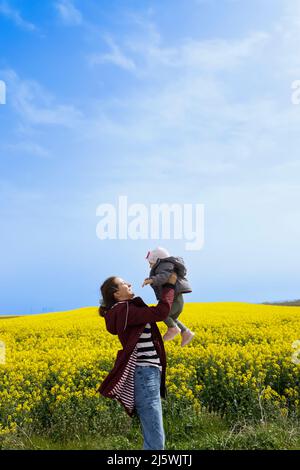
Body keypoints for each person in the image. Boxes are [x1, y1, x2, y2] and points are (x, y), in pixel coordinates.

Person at [97, 272, 177, 450]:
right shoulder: (124, 311)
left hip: (148, 373)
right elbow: (161, 312)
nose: (129, 283)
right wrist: (169, 286)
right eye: (124, 283)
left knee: (153, 434)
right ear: (116, 294)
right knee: (155, 438)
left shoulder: (125, 310)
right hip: (145, 374)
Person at [142, 247, 195, 347]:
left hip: (175, 298)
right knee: (171, 318)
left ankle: (173, 329)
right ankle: (186, 332)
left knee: (163, 313)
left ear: (157, 260)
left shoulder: (164, 265)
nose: (150, 267)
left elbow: (165, 276)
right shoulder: (164, 266)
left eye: (150, 263)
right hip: (176, 299)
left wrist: (152, 280)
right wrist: (152, 279)